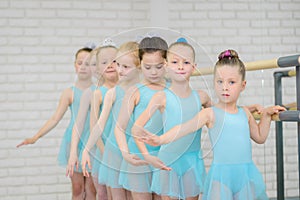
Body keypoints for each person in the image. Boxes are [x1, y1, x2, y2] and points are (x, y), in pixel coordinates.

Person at [136, 49, 286, 200]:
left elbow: (260, 137)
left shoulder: (244, 113)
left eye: (231, 82)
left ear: (243, 85)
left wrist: (266, 115)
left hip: (246, 175)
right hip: (221, 177)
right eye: (219, 82)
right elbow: (183, 128)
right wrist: (161, 139)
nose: (224, 87)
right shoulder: (210, 113)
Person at [132, 39, 212, 200]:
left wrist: (248, 110)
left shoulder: (202, 97)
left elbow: (221, 116)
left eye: (186, 62)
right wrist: (147, 156)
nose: (181, 67)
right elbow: (136, 128)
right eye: (175, 62)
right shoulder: (161, 97)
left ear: (194, 66)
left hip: (192, 160)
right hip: (168, 160)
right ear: (166, 65)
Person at [16, 46, 94, 199]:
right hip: (74, 143)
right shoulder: (69, 92)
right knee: (78, 189)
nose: (83, 67)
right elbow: (55, 118)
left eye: (88, 63)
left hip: (94, 142)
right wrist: (36, 137)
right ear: (74, 65)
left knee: (92, 190)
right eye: (80, 63)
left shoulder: (99, 90)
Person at [81, 41, 141, 200]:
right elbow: (98, 125)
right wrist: (86, 149)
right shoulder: (112, 93)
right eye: (118, 64)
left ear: (139, 66)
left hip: (135, 149)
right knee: (117, 195)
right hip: (114, 151)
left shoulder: (143, 90)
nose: (119, 69)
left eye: (124, 66)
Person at [115, 36, 169, 200]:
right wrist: (125, 154)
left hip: (163, 154)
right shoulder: (135, 91)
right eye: (147, 67)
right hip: (138, 154)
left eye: (159, 67)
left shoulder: (172, 89)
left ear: (166, 63)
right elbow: (120, 127)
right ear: (140, 64)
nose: (153, 72)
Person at [66, 45, 119, 200]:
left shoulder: (128, 90)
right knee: (102, 193)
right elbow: (80, 124)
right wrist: (74, 152)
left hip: (122, 150)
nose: (110, 65)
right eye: (104, 62)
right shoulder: (93, 93)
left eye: (115, 61)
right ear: (96, 68)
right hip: (101, 150)